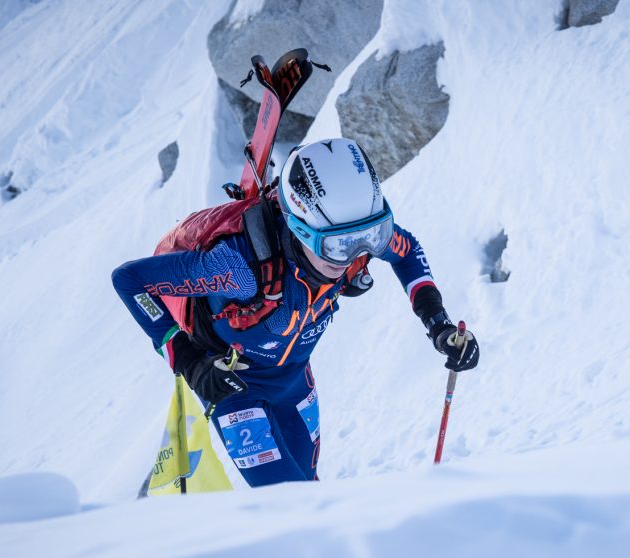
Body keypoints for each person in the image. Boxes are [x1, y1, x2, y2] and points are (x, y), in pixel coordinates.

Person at [112, 138, 479, 487]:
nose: (356, 254)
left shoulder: (350, 230)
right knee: (292, 507)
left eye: (373, 235)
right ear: (300, 229)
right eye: (338, 246)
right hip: (234, 390)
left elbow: (406, 250)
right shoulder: (236, 268)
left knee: (311, 493)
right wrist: (189, 362)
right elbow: (130, 280)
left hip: (294, 381)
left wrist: (438, 324)